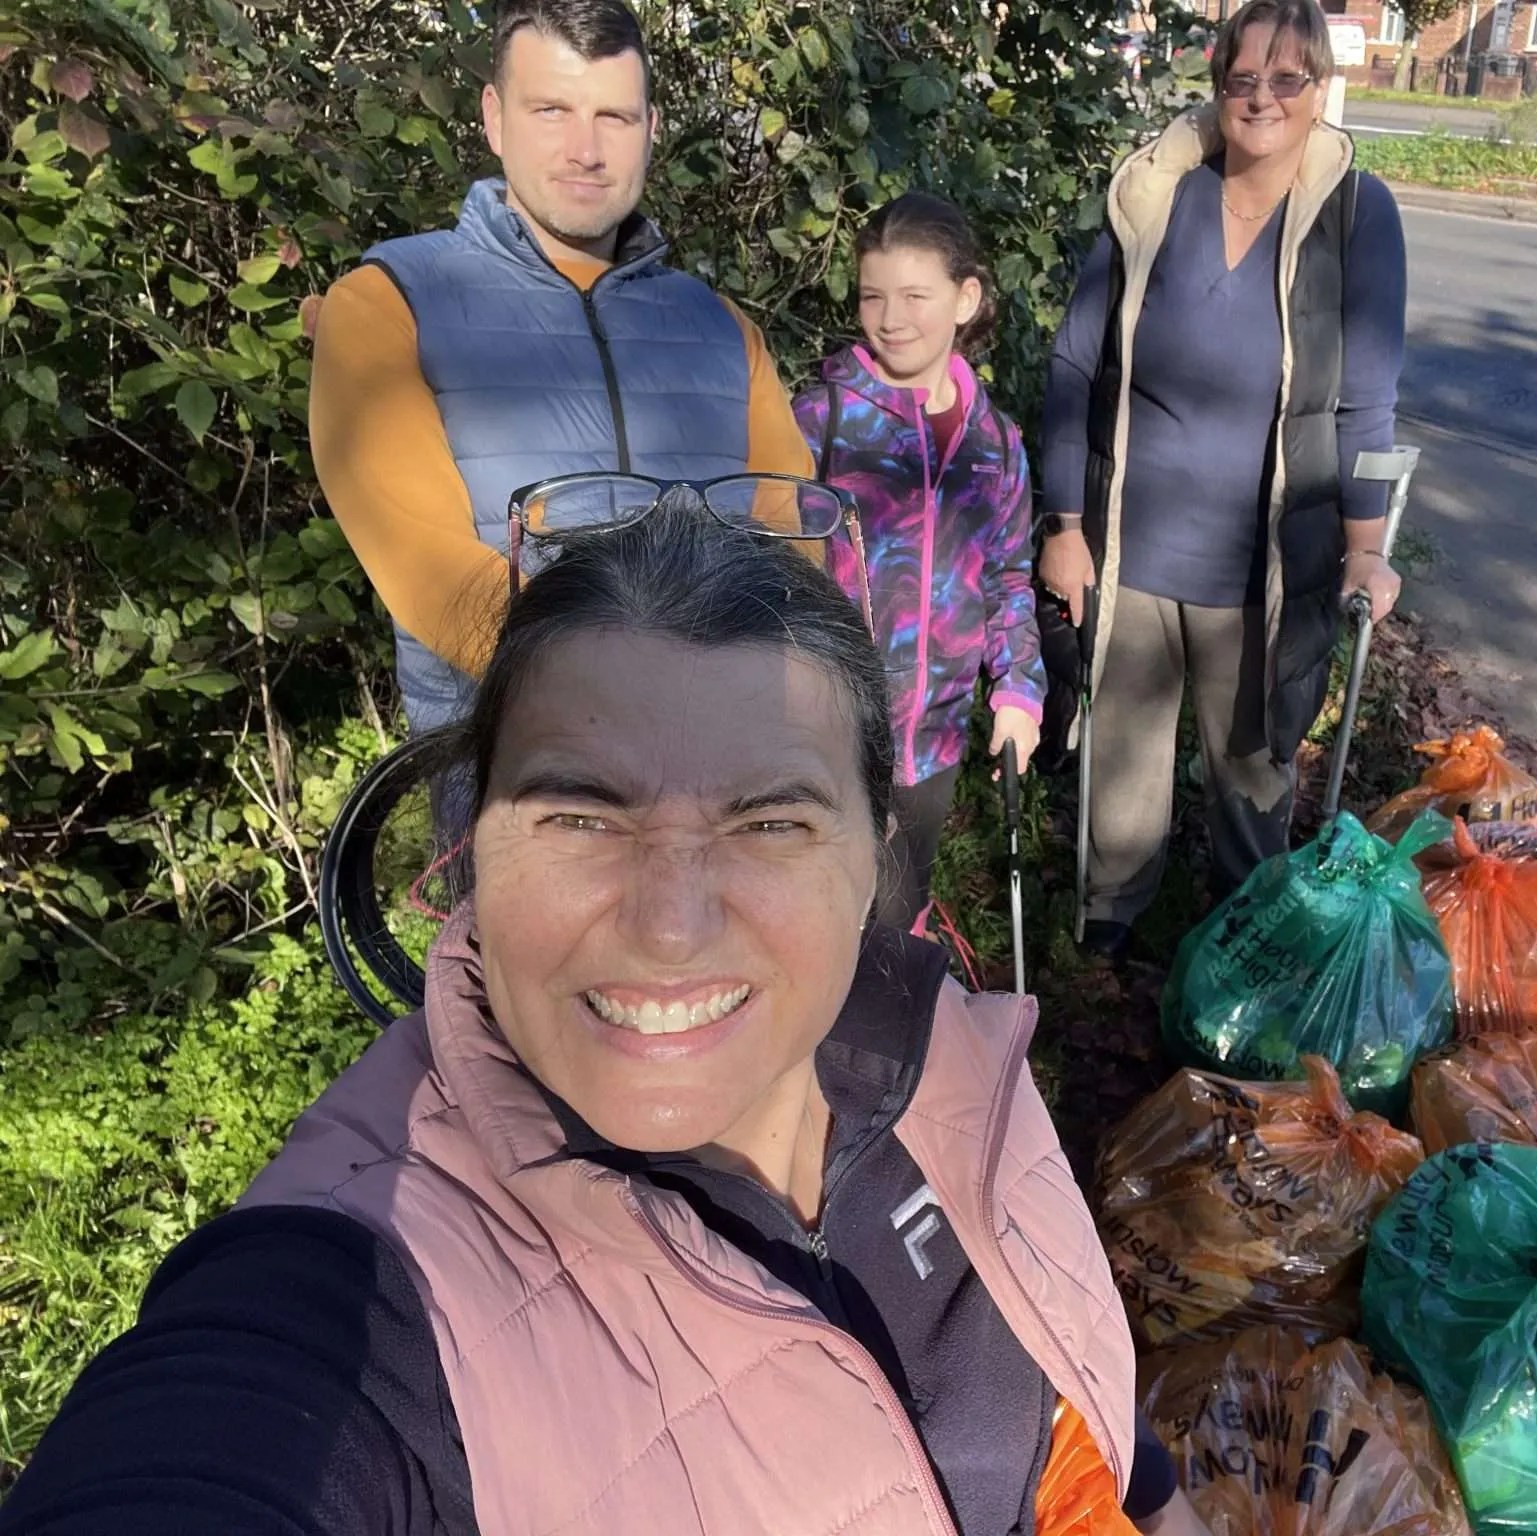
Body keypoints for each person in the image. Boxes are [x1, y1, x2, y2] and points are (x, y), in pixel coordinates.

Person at [0, 497, 1209, 1535]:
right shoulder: (361, 1274)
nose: (669, 925)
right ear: (474, 854)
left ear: (873, 863)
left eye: (769, 819)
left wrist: (1153, 1496)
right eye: (581, 814)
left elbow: (1055, 1366)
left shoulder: (951, 1048)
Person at [309, 0, 814, 735]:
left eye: (614, 116)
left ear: (651, 130)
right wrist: (624, 704)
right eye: (552, 110)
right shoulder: (388, 307)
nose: (586, 149)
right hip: (515, 779)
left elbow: (791, 549)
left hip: (726, 761)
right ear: (493, 117)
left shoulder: (723, 330)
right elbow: (432, 570)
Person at [1038, 0, 1408, 961]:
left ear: (1321, 91)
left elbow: (1367, 400)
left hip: (1267, 568)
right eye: (1244, 78)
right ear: (1217, 87)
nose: (1264, 98)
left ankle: (1241, 962)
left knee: (1253, 784)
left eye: (1288, 79)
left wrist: (1366, 550)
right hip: (1137, 547)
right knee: (1119, 786)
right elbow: (1076, 362)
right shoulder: (1157, 196)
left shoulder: (1357, 216)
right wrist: (1065, 523)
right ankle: (1107, 943)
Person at [792, 194, 1045, 932]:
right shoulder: (823, 422)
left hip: (931, 745)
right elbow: (770, 566)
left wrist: (1019, 694)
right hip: (824, 733)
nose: (890, 317)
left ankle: (882, 1048)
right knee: (813, 928)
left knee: (896, 929)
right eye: (873, 296)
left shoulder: (995, 444)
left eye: (914, 296)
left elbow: (1008, 580)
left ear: (966, 299)